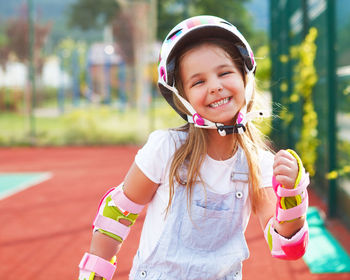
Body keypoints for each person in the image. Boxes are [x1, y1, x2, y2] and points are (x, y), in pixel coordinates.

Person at [78, 15, 310, 280]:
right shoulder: (166, 149)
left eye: (224, 73)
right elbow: (117, 213)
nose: (215, 86)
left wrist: (292, 195)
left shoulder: (259, 163)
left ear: (245, 77)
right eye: (198, 82)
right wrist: (94, 274)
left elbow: (285, 247)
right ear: (182, 97)